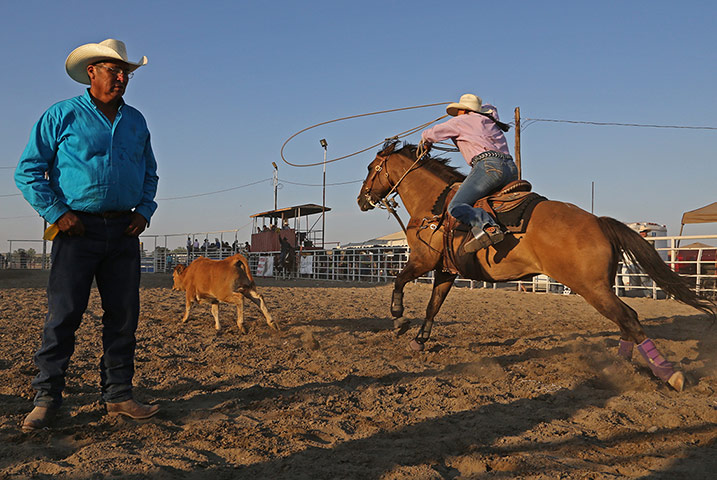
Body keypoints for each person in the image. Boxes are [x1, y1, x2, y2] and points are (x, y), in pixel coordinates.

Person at [14, 39, 160, 431]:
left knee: (123, 317)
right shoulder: (61, 115)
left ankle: (119, 396)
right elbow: (28, 171)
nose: (121, 76)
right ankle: (46, 398)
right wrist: (57, 213)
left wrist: (144, 212)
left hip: (125, 230)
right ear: (91, 72)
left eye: (125, 70)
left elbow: (150, 173)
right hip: (76, 229)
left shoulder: (136, 122)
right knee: (63, 315)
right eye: (113, 69)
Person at [420, 93, 518, 252]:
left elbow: (431, 133)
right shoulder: (490, 121)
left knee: (456, 206)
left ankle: (488, 227)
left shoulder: (461, 121)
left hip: (489, 166)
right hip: (511, 169)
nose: (457, 113)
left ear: (464, 111)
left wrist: (425, 140)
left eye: (459, 110)